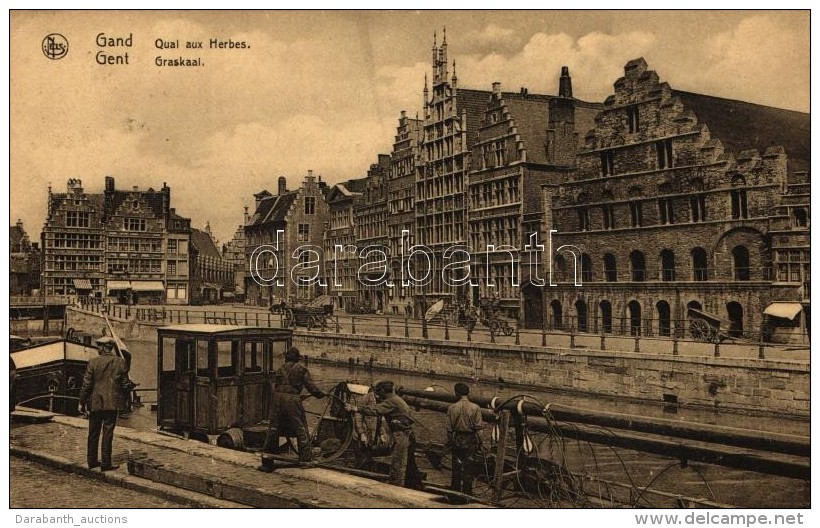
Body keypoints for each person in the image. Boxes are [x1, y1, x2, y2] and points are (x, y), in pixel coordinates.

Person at [347, 380, 419, 487]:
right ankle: (414, 485)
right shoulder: (397, 400)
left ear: (383, 391)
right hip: (405, 435)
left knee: (398, 463)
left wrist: (355, 408)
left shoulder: (391, 401)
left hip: (401, 435)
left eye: (379, 392)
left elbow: (376, 411)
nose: (377, 395)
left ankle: (396, 487)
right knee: (408, 463)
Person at [78, 336, 132, 471]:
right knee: (108, 433)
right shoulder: (120, 362)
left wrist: (81, 402)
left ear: (102, 348)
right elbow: (125, 384)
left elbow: (86, 385)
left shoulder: (92, 362)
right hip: (112, 404)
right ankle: (106, 463)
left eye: (98, 347)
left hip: (95, 402)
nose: (98, 349)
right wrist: (128, 392)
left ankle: (92, 461)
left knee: (93, 432)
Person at [270, 346, 326, 464]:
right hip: (292, 400)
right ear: (297, 359)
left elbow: (276, 386)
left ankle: (269, 452)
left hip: (277, 398)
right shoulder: (301, 370)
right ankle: (305, 458)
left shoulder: (280, 369)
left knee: (274, 426)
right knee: (301, 428)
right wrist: (321, 394)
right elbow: (312, 387)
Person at [446, 382, 484, 495]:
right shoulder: (475, 408)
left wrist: (451, 442)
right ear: (468, 393)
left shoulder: (452, 408)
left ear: (456, 393)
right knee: (469, 467)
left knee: (456, 466)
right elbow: (479, 429)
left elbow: (449, 429)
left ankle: (455, 491)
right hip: (470, 440)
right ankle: (468, 493)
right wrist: (481, 443)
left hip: (457, 439)